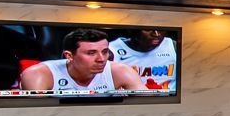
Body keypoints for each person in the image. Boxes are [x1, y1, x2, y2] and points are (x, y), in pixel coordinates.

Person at [18, 28, 146, 93]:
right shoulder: (39, 74)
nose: (101, 59)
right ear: (69, 55)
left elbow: (149, 105)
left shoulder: (120, 71)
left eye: (105, 52)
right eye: (91, 53)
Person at [108, 27, 178, 91]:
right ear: (131, 30)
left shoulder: (174, 47)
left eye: (161, 29)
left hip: (168, 101)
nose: (156, 34)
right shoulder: (110, 51)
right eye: (148, 29)